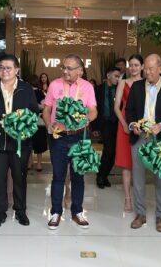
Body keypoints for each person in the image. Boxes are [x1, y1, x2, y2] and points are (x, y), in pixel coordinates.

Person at [0, 54, 39, 230]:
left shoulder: (26, 89)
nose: (5, 71)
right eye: (2, 68)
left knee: (20, 178)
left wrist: (24, 126)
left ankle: (20, 211)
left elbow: (33, 113)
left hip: (20, 143)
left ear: (17, 70)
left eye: (9, 68)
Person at [42, 54, 97, 229]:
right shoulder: (54, 85)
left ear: (80, 71)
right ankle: (56, 212)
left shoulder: (87, 87)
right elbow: (47, 109)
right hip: (58, 136)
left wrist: (86, 119)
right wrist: (48, 124)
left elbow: (93, 110)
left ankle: (77, 212)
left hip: (80, 135)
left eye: (70, 68)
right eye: (64, 67)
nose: (65, 71)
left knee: (78, 176)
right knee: (58, 176)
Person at [126, 54, 161, 233]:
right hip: (140, 137)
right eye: (145, 68)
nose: (147, 72)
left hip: (159, 140)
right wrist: (133, 125)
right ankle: (140, 214)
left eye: (150, 68)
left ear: (160, 69)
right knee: (138, 179)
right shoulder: (137, 87)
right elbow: (129, 110)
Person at [113, 54, 143, 212]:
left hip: (143, 124)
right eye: (131, 65)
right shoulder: (123, 82)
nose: (133, 68)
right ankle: (127, 199)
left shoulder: (147, 83)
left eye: (136, 65)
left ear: (142, 67)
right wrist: (124, 124)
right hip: (124, 123)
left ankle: (139, 198)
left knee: (141, 161)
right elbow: (116, 106)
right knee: (126, 164)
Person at [93, 66, 122, 189]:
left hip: (117, 123)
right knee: (108, 149)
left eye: (119, 76)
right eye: (116, 76)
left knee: (113, 152)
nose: (117, 79)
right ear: (108, 75)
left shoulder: (119, 89)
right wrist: (94, 127)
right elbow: (93, 108)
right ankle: (101, 176)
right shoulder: (98, 89)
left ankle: (103, 175)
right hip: (104, 122)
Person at [28, 75, 48, 172]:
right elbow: (44, 106)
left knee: (29, 142)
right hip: (39, 122)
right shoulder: (41, 93)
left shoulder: (26, 93)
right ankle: (39, 164)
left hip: (27, 120)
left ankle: (30, 162)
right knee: (39, 143)